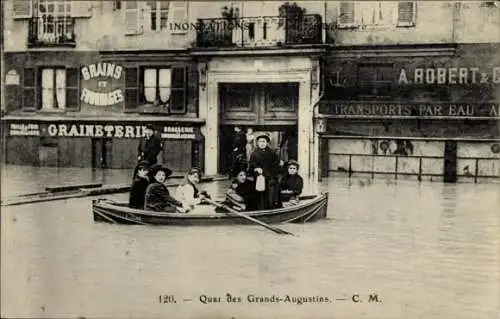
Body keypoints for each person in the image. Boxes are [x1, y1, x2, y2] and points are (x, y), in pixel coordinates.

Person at [248, 132, 282, 210]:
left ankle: (272, 209)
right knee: (260, 196)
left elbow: (276, 165)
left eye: (264, 141)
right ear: (257, 143)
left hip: (270, 178)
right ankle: (260, 210)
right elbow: (252, 165)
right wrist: (256, 168)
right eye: (260, 141)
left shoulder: (272, 153)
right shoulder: (254, 154)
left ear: (267, 143)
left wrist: (268, 173)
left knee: (271, 196)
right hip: (259, 179)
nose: (262, 143)